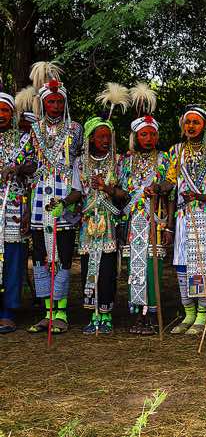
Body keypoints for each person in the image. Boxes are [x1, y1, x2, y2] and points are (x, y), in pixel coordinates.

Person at [26, 62, 83, 335]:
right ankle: (45, 311)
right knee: (40, 256)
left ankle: (60, 312)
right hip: (39, 199)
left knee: (61, 255)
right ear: (44, 104)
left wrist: (73, 198)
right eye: (51, 103)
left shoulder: (76, 129)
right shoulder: (33, 129)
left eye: (60, 103)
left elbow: (81, 164)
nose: (56, 108)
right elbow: (28, 162)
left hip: (64, 198)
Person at [161, 105, 206, 335]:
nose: (191, 126)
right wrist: (157, 187)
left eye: (196, 122)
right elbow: (170, 183)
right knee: (183, 263)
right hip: (183, 216)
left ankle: (202, 314)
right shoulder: (176, 151)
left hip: (205, 214)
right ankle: (188, 312)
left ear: (205, 126)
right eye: (188, 122)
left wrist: (199, 196)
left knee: (203, 262)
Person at [71, 87, 127, 334]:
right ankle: (92, 315)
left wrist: (107, 189)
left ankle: (106, 315)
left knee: (106, 270)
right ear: (91, 139)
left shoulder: (119, 161)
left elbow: (125, 195)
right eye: (100, 136)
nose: (105, 141)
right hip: (87, 226)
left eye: (108, 137)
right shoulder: (80, 163)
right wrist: (62, 203)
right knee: (88, 268)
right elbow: (76, 192)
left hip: (108, 225)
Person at [118, 84, 170, 335]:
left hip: (155, 220)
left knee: (152, 267)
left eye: (152, 134)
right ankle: (137, 315)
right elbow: (121, 191)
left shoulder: (164, 159)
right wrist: (108, 190)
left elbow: (171, 183)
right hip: (133, 221)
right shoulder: (125, 161)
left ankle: (151, 313)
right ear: (136, 137)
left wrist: (158, 188)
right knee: (134, 267)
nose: (148, 139)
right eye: (144, 135)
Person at [0, 89, 35, 333]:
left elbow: (37, 168)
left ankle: (8, 311)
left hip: (15, 207)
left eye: (5, 110)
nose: (1, 115)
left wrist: (18, 168)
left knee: (13, 260)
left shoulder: (26, 139)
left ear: (13, 114)